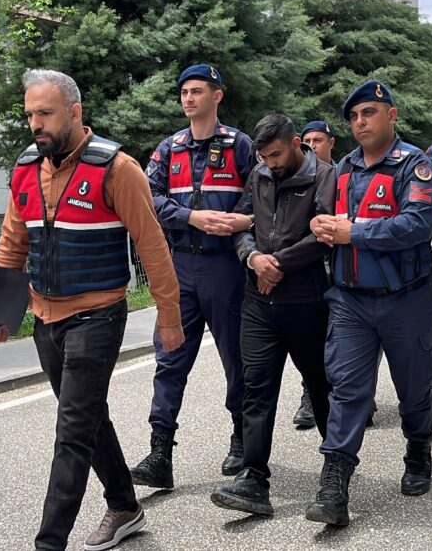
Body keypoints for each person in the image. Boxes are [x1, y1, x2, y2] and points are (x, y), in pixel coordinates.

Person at [0, 69, 182, 551]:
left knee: (72, 432)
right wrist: (0, 313)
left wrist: (169, 315)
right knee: (89, 417)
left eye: (45, 113)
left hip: (99, 315)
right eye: (30, 113)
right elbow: (13, 243)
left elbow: (152, 245)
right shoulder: (26, 169)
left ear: (74, 112)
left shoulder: (118, 168)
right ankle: (125, 506)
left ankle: (49, 543)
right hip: (45, 318)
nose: (36, 123)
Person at [306, 80, 432, 525]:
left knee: (414, 390)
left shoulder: (415, 165)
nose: (360, 122)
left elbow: (417, 224)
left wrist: (353, 233)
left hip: (407, 300)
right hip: (350, 301)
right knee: (347, 390)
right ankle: (334, 483)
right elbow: (326, 218)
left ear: (391, 115)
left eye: (369, 112)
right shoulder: (342, 168)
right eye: (354, 116)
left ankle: (418, 451)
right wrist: (323, 226)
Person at [133, 64, 254, 488]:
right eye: (184, 91)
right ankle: (159, 452)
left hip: (225, 268)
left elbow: (259, 198)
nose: (188, 98)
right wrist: (192, 217)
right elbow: (149, 200)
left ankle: (242, 440)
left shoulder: (240, 146)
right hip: (180, 267)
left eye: (197, 91)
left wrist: (238, 222)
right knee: (169, 359)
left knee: (236, 359)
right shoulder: (169, 149)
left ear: (217, 96)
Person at [210, 114, 335, 516]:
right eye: (264, 156)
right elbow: (241, 224)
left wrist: (275, 264)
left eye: (277, 154)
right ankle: (253, 477)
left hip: (306, 302)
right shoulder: (260, 174)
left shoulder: (326, 176)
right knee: (256, 387)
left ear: (297, 143)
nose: (270, 163)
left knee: (320, 386)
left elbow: (325, 236)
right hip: (258, 304)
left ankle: (335, 471)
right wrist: (253, 257)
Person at [290, 119, 337, 428]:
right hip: (307, 268)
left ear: (330, 142)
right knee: (312, 339)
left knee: (344, 337)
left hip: (340, 266)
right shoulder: (296, 177)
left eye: (318, 140)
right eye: (308, 140)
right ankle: (311, 394)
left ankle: (357, 394)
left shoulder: (346, 172)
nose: (313, 145)